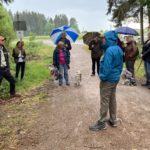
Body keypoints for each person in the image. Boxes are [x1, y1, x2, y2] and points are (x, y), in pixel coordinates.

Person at [89, 31, 123, 131]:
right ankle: (113, 119)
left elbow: (107, 67)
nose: (102, 40)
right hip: (115, 79)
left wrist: (102, 77)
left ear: (109, 40)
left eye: (104, 39)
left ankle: (101, 122)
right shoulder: (118, 49)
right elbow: (121, 66)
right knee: (112, 99)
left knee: (104, 100)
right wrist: (117, 76)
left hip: (107, 80)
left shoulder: (109, 51)